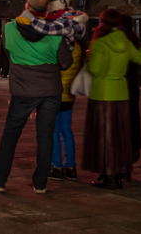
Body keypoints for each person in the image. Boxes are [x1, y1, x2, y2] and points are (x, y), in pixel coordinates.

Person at [0, 0, 87, 195]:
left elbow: (7, 53)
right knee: (45, 136)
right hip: (51, 91)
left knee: (10, 135)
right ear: (46, 9)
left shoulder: (9, 28)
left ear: (26, 5)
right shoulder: (56, 32)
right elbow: (66, 63)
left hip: (23, 90)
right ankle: (40, 184)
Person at [83, 10, 141, 189]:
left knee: (104, 137)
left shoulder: (100, 42)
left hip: (102, 94)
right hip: (121, 94)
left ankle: (109, 176)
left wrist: (89, 59)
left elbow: (94, 69)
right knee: (119, 136)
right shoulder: (125, 41)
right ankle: (117, 173)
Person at [52, 25, 86, 181]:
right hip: (69, 95)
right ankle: (71, 167)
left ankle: (57, 167)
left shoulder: (59, 45)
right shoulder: (78, 47)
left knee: (53, 132)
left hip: (54, 93)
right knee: (66, 130)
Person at [120, 13, 141, 178]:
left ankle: (120, 164)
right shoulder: (136, 42)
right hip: (133, 88)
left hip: (120, 87)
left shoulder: (121, 43)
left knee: (119, 126)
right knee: (132, 123)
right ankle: (129, 164)